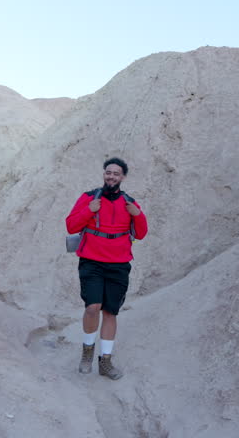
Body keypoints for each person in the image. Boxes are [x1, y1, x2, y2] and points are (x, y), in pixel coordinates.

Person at [65, 157, 148, 379]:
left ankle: (105, 362)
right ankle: (87, 353)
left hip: (119, 264)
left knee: (111, 312)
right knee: (92, 307)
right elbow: (71, 225)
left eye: (116, 173)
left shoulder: (129, 202)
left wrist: (137, 215)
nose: (111, 176)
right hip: (91, 261)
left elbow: (140, 233)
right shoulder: (89, 198)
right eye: (108, 172)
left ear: (123, 177)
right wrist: (89, 211)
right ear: (104, 174)